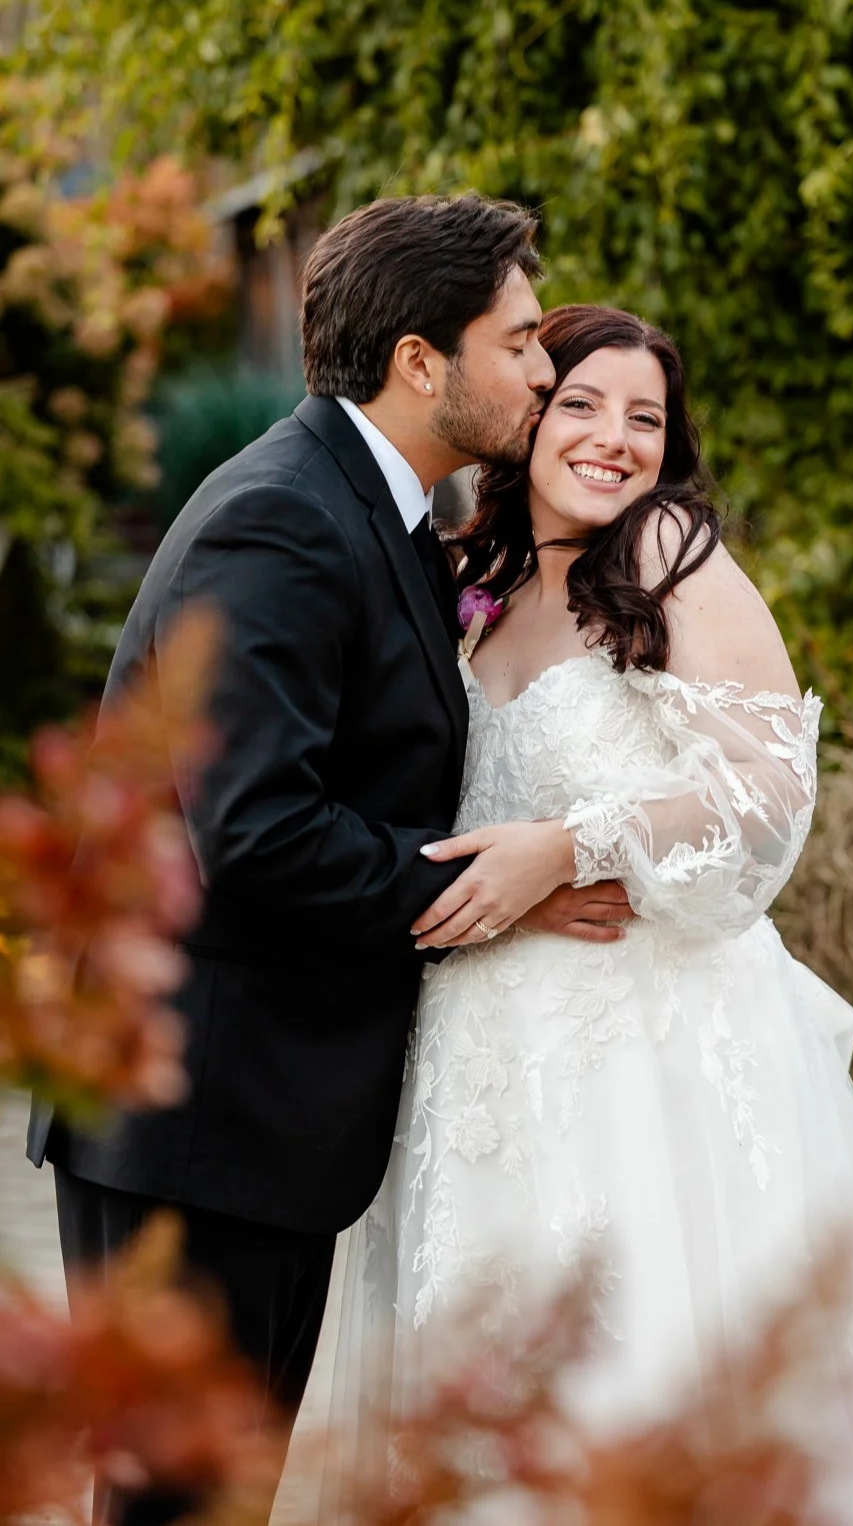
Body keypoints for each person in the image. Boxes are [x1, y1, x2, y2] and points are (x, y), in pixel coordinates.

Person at [26, 197, 630, 1526]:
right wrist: (495, 899)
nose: (545, 369)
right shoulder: (285, 521)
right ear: (423, 360)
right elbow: (253, 831)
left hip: (253, 1129)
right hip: (194, 1124)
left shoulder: (382, 512)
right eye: (521, 341)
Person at [331, 305, 853, 1524]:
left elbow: (771, 792)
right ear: (530, 415)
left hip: (648, 1046)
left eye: (647, 417)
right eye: (582, 403)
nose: (616, 438)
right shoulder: (467, 574)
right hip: (482, 1051)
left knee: (648, 1366)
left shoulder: (667, 552)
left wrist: (579, 841)